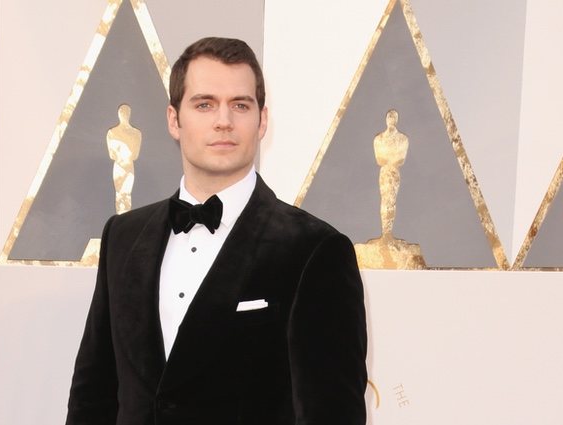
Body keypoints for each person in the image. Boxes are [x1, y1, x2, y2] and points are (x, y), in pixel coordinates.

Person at [66, 37, 367, 425]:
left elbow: (333, 413)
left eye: (240, 105)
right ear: (174, 119)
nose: (223, 120)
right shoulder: (123, 237)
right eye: (204, 104)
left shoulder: (315, 250)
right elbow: (94, 395)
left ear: (262, 121)